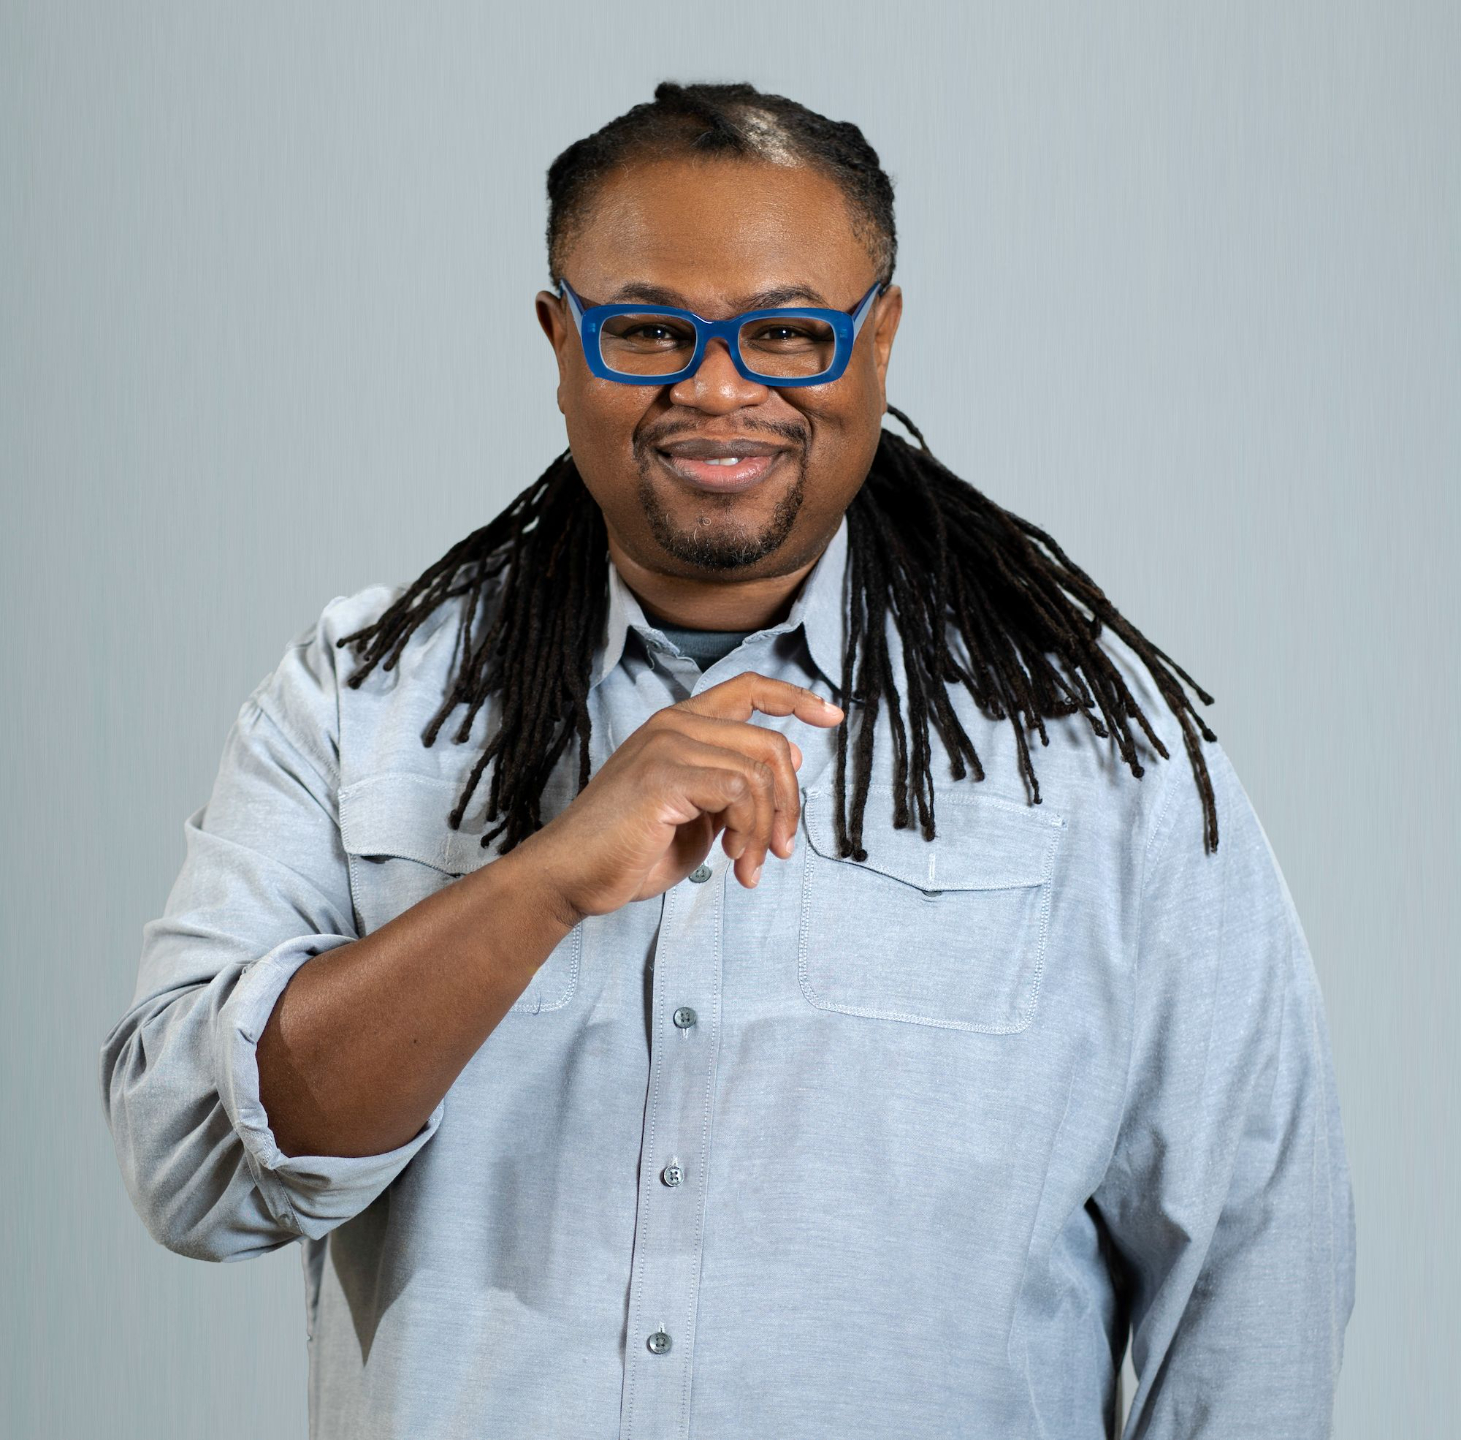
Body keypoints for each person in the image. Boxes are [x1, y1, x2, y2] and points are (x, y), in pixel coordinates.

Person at [100, 81, 1355, 1439]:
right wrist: (540, 884)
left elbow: (1255, 1267)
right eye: (648, 330)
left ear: (878, 338)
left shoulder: (1096, 747)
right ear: (560, 341)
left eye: (786, 332)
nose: (716, 387)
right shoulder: (362, 697)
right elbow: (192, 1170)